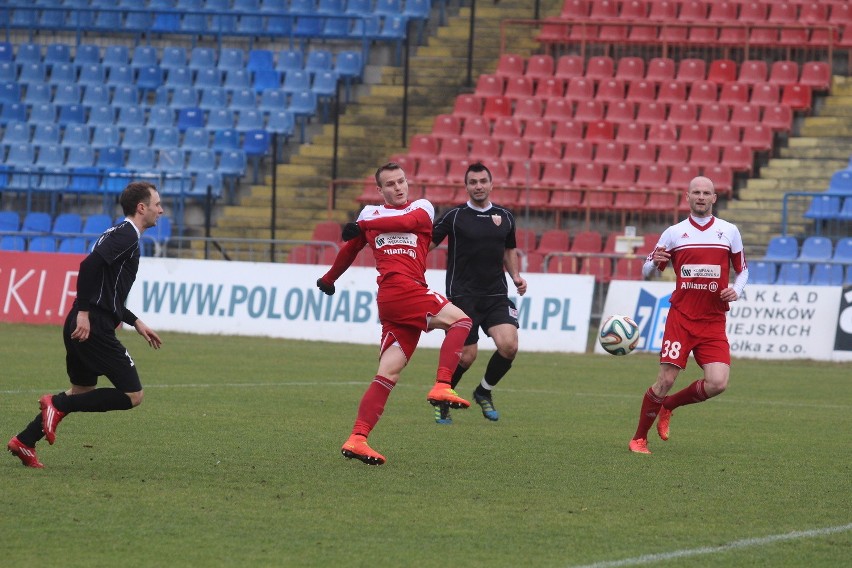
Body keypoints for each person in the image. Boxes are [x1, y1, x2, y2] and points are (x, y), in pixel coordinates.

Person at [316, 162, 474, 466]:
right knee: (461, 320)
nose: (398, 187)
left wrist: (363, 227)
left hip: (394, 301)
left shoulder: (422, 208)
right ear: (380, 190)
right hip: (403, 291)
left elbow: (405, 223)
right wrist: (330, 278)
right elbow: (350, 249)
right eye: (390, 184)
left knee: (387, 373)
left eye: (401, 181)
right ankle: (442, 384)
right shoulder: (369, 215)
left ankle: (358, 438)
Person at [7, 181, 164, 468]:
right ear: (141, 208)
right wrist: (84, 312)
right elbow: (88, 267)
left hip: (82, 322)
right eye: (157, 204)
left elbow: (108, 291)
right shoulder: (127, 235)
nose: (161, 210)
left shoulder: (118, 232)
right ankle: (56, 405)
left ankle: (25, 441)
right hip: (93, 326)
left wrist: (135, 321)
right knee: (133, 395)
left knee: (81, 390)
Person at [629, 176, 749, 454]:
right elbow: (647, 268)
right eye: (696, 192)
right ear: (687, 197)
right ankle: (638, 438)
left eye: (707, 193)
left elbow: (743, 269)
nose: (701, 197)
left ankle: (669, 405)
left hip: (713, 319)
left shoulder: (729, 231)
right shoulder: (674, 233)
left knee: (718, 382)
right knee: (665, 380)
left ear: (714, 198)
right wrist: (654, 262)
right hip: (681, 318)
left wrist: (737, 290)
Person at [430, 162, 527, 425]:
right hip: (463, 297)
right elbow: (427, 243)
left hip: (496, 294)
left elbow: (509, 250)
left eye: (483, 181)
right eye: (473, 182)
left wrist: (515, 276)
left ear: (491, 183)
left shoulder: (505, 216)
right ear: (467, 186)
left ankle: (483, 391)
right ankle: (442, 399)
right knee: (467, 356)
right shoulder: (454, 216)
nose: (478, 186)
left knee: (509, 346)